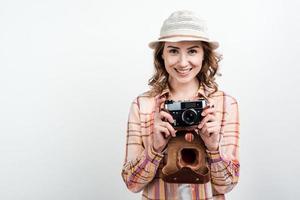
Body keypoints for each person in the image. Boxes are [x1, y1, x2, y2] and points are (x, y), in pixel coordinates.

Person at [121, 10, 240, 200]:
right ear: (162, 56)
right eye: (173, 51)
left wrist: (213, 148)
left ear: (204, 55)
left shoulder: (225, 104)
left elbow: (228, 184)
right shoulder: (142, 105)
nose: (183, 62)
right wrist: (155, 148)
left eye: (192, 50)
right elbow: (132, 184)